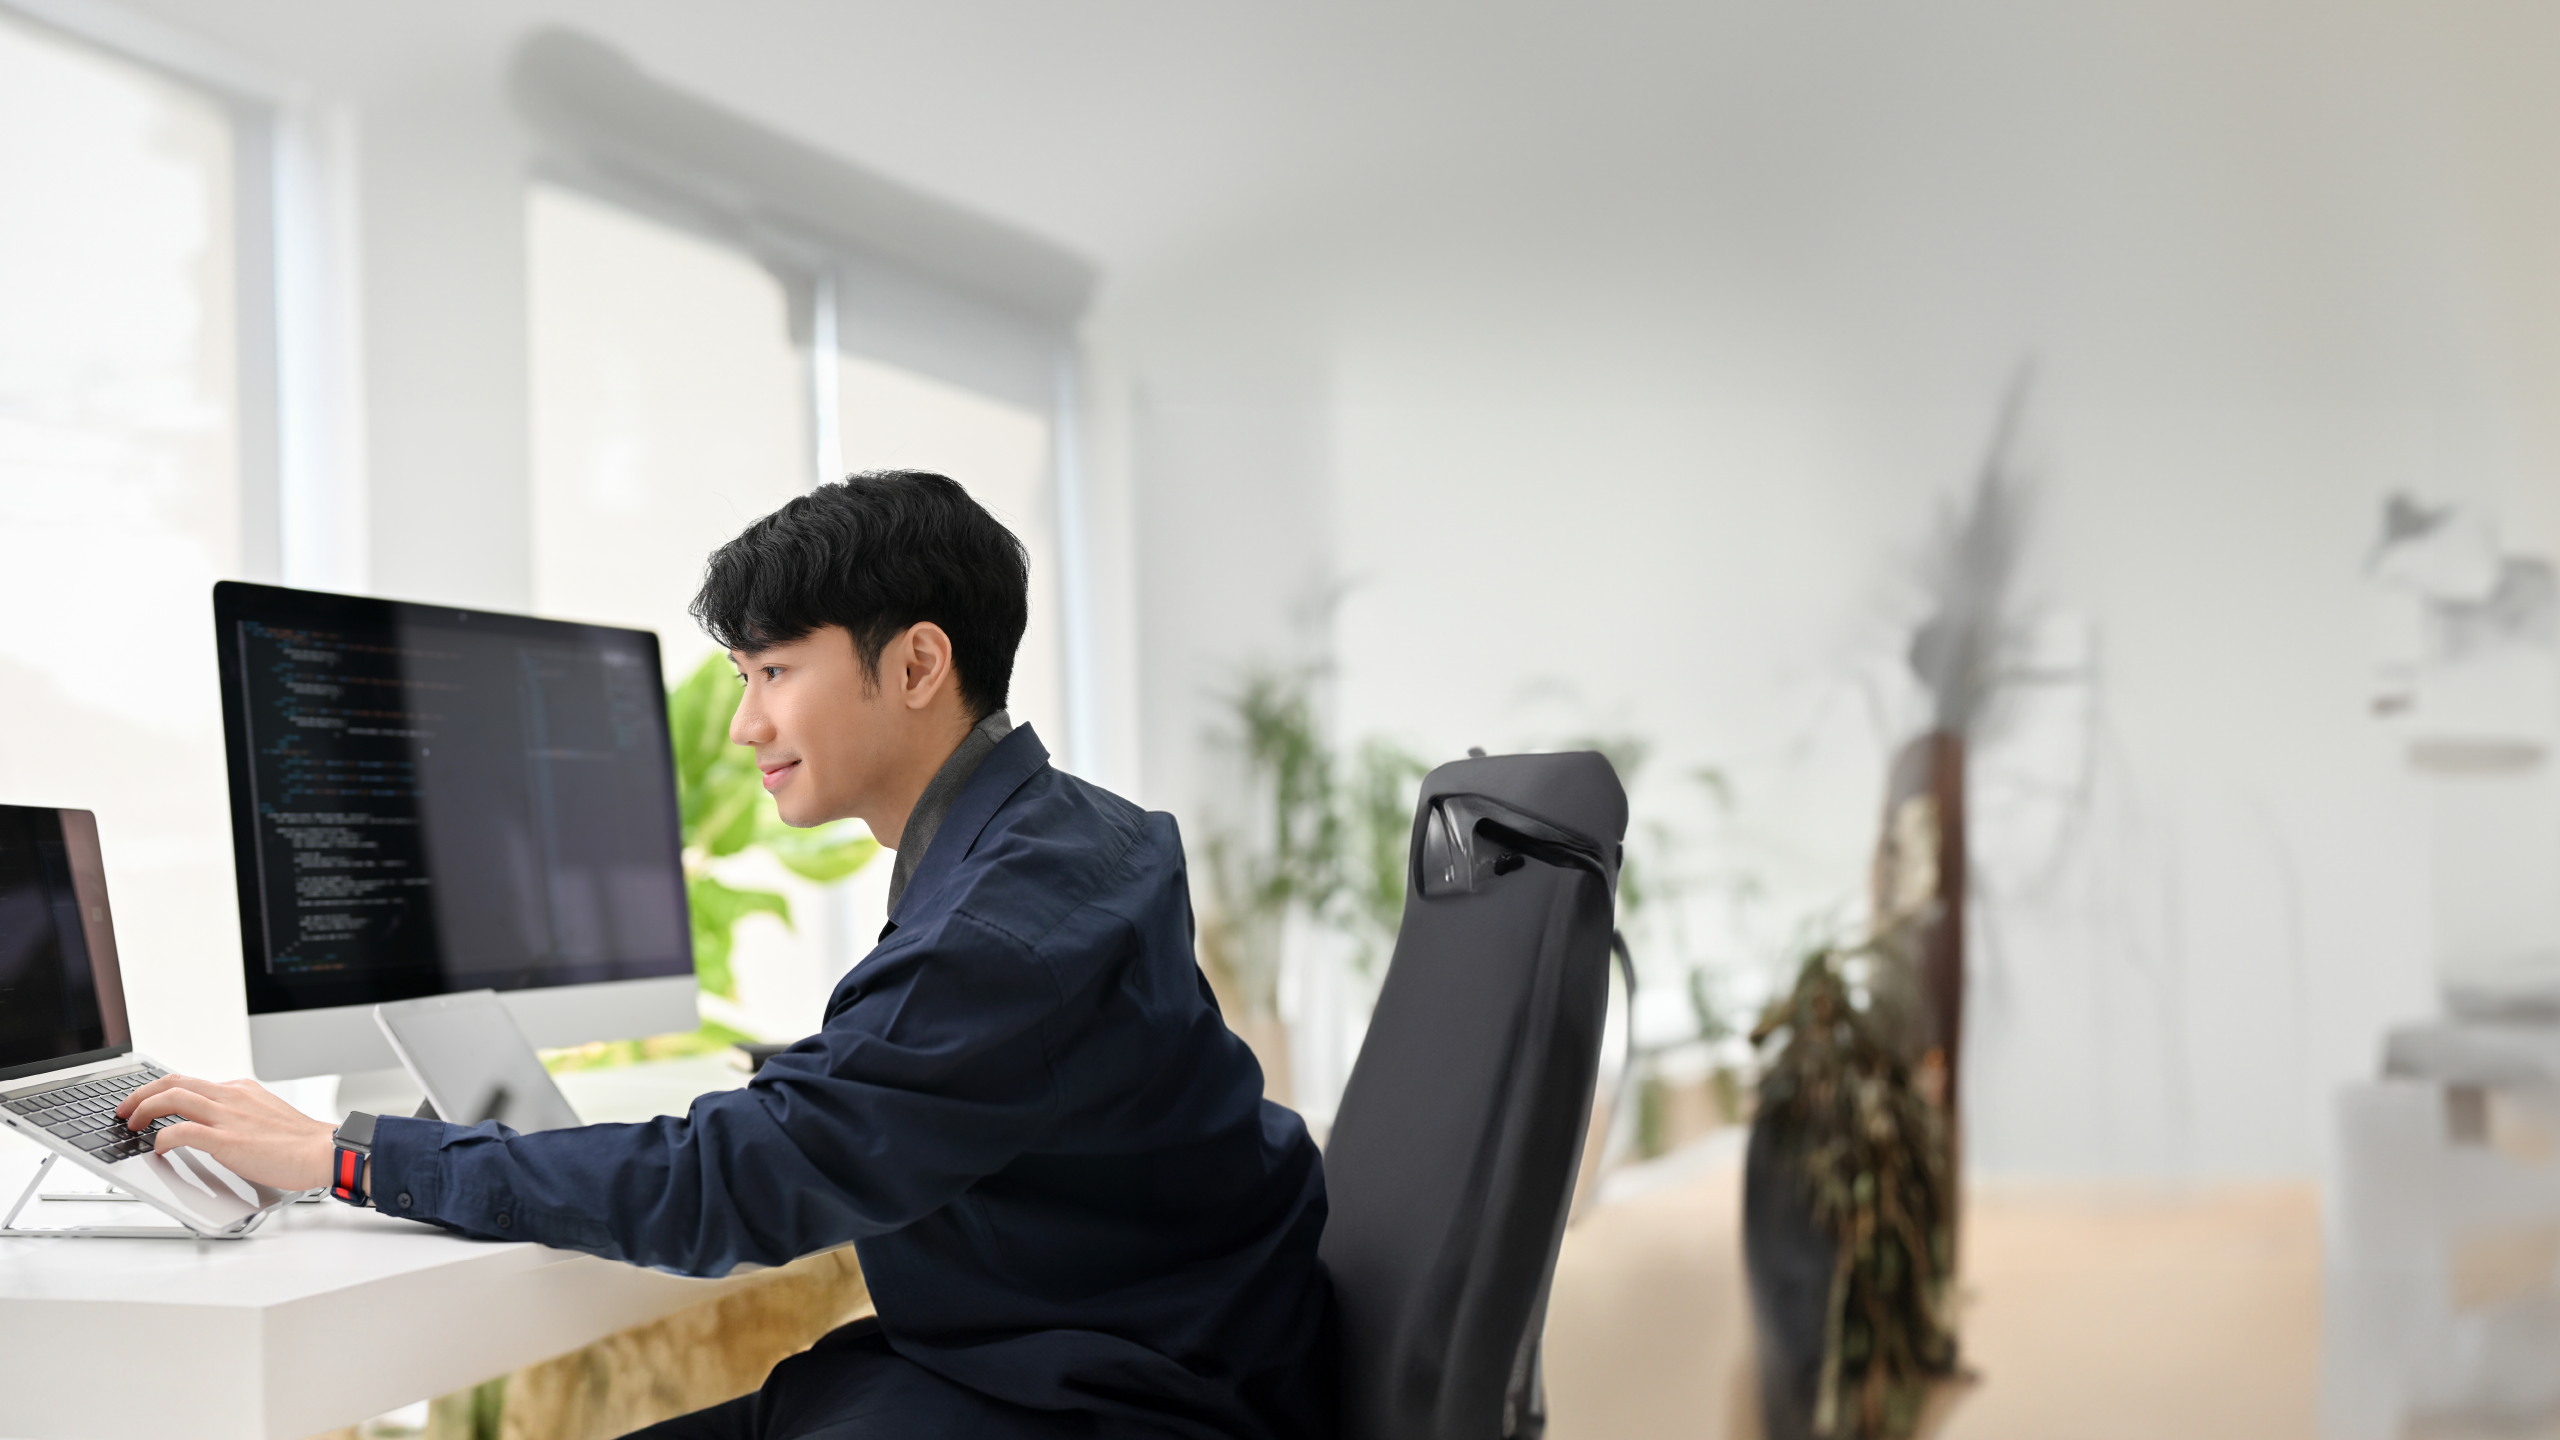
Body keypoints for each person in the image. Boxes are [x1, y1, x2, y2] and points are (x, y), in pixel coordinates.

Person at [119, 473, 1336, 1440]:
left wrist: (343, 1155)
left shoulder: (999, 926)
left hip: (1097, 1393)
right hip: (1080, 1341)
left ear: (916, 665)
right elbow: (947, 1082)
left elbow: (729, 1186)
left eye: (774, 672)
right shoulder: (1063, 839)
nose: (748, 722)